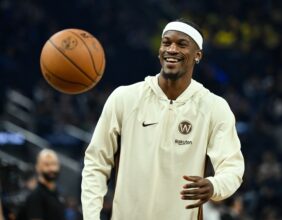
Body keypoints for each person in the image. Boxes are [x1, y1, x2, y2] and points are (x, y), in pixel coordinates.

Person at [81, 18, 245, 220]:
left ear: (198, 55)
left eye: (182, 44)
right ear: (159, 51)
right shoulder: (124, 98)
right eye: (166, 43)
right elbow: (96, 163)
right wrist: (91, 217)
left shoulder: (214, 107)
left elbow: (233, 168)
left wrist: (214, 185)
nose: (172, 49)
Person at [17, 149, 65, 220]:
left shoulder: (56, 193)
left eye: (54, 164)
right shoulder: (35, 196)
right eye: (46, 164)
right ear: (38, 167)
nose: (51, 168)